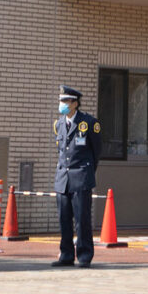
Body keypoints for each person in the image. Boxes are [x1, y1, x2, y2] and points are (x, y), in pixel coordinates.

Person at [53, 86, 100, 267]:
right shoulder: (58, 124)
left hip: (81, 177)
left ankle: (84, 255)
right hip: (62, 179)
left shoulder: (88, 123)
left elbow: (96, 152)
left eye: (65, 101)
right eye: (61, 101)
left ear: (75, 103)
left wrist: (86, 172)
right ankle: (65, 255)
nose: (62, 105)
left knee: (82, 219)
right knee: (64, 219)